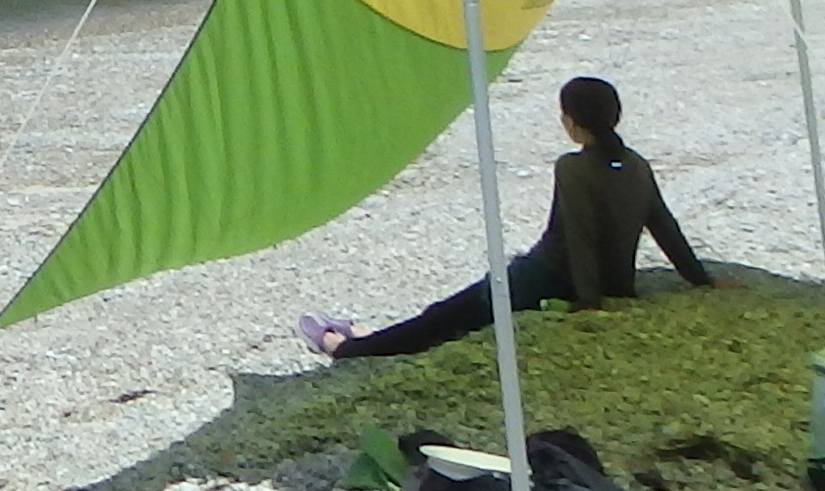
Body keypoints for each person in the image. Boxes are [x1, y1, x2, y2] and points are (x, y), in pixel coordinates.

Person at [301, 77, 715, 359]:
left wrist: (590, 302)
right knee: (448, 317)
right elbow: (663, 225)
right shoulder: (636, 164)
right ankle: (364, 338)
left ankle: (344, 347)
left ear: (571, 122)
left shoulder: (573, 167)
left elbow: (579, 234)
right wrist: (700, 279)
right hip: (614, 282)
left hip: (544, 278)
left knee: (444, 317)